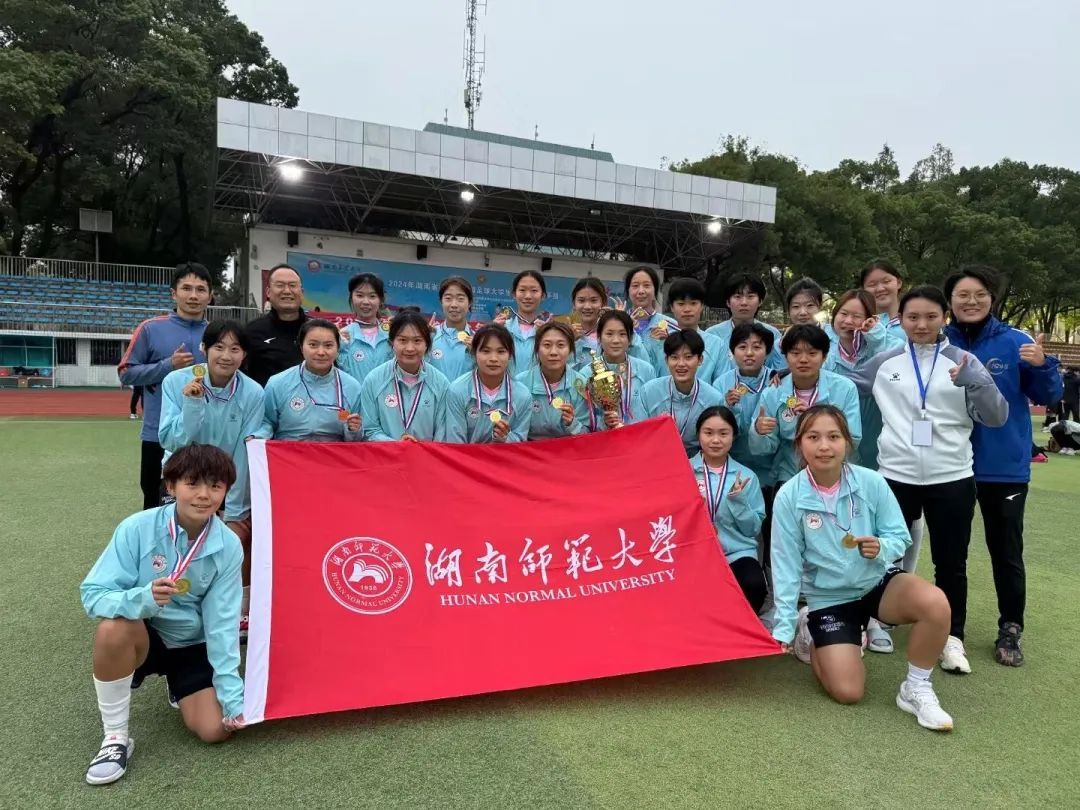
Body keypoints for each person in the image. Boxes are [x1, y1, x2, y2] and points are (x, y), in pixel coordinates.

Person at [850, 285, 1008, 673]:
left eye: (931, 317)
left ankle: (952, 637)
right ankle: (875, 621)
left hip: (951, 476)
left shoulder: (965, 360)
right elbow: (842, 383)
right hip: (895, 476)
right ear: (900, 320)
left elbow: (997, 416)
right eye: (913, 317)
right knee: (882, 555)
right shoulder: (885, 362)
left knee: (951, 562)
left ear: (944, 318)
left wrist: (976, 381)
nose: (921, 324)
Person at [771, 405, 955, 732]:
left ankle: (916, 688)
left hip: (876, 583)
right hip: (830, 599)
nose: (824, 446)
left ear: (848, 442)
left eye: (833, 437)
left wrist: (882, 547)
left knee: (935, 604)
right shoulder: (789, 496)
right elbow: (785, 565)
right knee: (848, 692)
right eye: (813, 437)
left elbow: (899, 535)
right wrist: (783, 626)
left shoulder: (871, 482)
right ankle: (811, 631)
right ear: (799, 444)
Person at [80, 444, 246, 785]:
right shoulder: (136, 528)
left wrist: (233, 699)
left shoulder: (228, 545)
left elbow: (222, 624)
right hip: (145, 634)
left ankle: (178, 683)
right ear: (171, 486)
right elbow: (93, 595)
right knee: (113, 629)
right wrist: (142, 598)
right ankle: (115, 738)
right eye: (192, 483)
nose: (204, 495)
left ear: (226, 491)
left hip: (191, 642)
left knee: (216, 730)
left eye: (215, 486)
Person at [943, 265, 1063, 667]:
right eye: (962, 295)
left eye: (979, 294)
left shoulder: (1016, 341)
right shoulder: (939, 342)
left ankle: (1011, 627)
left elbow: (1049, 395)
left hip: (1003, 467)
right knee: (951, 553)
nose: (971, 301)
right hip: (950, 465)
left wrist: (1043, 365)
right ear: (950, 301)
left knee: (1006, 551)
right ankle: (951, 630)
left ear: (992, 298)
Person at [159, 320, 267, 634]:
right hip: (184, 478)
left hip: (227, 483)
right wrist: (192, 404)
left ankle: (238, 610)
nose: (226, 356)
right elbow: (172, 441)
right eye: (218, 347)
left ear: (244, 355)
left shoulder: (252, 392)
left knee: (236, 540)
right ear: (204, 349)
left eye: (235, 349)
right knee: (180, 540)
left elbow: (245, 452)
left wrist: (233, 509)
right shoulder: (177, 381)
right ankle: (176, 609)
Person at [118, 262, 211, 510]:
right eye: (186, 288)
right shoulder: (151, 329)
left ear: (210, 295)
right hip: (158, 436)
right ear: (173, 293)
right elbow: (126, 373)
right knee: (156, 504)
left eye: (201, 289)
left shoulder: (217, 334)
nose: (193, 295)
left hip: (206, 435)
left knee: (206, 503)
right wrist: (167, 365)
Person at [750, 325, 862, 491]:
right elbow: (763, 449)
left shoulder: (844, 388)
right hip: (790, 473)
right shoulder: (773, 393)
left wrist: (814, 419)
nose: (803, 359)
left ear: (824, 356)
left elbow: (853, 439)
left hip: (835, 473)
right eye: (795, 353)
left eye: (812, 353)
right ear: (786, 357)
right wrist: (759, 432)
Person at [690, 406, 768, 613]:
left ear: (734, 436)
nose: (716, 440)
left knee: (754, 585)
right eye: (708, 433)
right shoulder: (684, 471)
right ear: (698, 435)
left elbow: (752, 530)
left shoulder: (746, 476)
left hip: (737, 552)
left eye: (723, 433)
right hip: (694, 553)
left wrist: (738, 501)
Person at [824, 289, 905, 470]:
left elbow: (899, 355)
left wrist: (875, 335)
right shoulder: (824, 348)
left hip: (876, 432)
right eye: (843, 314)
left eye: (856, 316)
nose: (848, 321)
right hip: (835, 431)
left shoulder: (879, 343)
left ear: (870, 319)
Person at [262, 319, 363, 441]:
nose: (321, 352)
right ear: (301, 347)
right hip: (289, 450)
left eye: (328, 345)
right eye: (313, 345)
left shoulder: (352, 387)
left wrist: (353, 430)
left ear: (338, 348)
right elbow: (266, 423)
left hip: (333, 452)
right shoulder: (278, 383)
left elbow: (357, 439)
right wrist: (258, 436)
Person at [361, 311, 450, 441]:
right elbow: (370, 430)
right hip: (387, 453)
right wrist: (396, 446)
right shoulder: (373, 380)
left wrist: (424, 451)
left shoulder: (441, 383)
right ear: (392, 342)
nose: (410, 348)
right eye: (402, 340)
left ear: (427, 344)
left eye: (417, 340)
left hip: (427, 453)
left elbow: (442, 433)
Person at [640, 330, 723, 456]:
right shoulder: (649, 392)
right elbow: (640, 433)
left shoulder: (713, 399)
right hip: (654, 457)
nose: (681, 364)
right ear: (666, 360)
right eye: (674, 357)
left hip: (696, 463)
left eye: (688, 357)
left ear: (700, 359)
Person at [445, 324, 531, 442]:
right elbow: (455, 442)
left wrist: (505, 439)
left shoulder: (523, 395)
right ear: (474, 353)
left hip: (506, 454)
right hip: (465, 454)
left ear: (510, 355)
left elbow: (521, 442)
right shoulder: (457, 390)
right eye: (486, 351)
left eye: (501, 351)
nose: (493, 359)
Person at [581, 309, 655, 430]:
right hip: (603, 438)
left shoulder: (646, 370)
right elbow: (583, 417)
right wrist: (603, 422)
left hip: (639, 437)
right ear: (599, 337)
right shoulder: (586, 374)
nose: (616, 340)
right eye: (609, 334)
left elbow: (653, 411)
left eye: (622, 334)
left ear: (630, 338)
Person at [517, 321, 591, 439]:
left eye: (561, 345)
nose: (553, 352)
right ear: (537, 349)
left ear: (570, 349)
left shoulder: (580, 384)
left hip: (569, 448)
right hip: (530, 448)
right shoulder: (520, 383)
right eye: (547, 345)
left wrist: (572, 424)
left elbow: (589, 434)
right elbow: (514, 429)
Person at [242, 264, 307, 387]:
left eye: (293, 285)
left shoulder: (316, 331)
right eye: (280, 285)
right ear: (268, 292)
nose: (287, 291)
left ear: (302, 292)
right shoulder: (251, 331)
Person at [705, 273, 785, 371]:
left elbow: (778, 371)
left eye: (750, 296)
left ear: (760, 301)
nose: (744, 303)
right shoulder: (712, 335)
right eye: (737, 296)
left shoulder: (773, 334)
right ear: (728, 302)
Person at [665, 277, 731, 384]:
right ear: (672, 307)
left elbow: (722, 383)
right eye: (681, 304)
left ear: (702, 306)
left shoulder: (716, 344)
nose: (687, 309)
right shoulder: (661, 340)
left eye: (693, 303)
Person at [621, 265, 680, 375]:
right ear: (628, 291)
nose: (641, 291)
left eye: (647, 285)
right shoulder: (618, 323)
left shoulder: (671, 326)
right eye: (635, 286)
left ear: (655, 290)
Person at [338, 272, 392, 383]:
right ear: (351, 297)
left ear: (381, 300)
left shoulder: (392, 335)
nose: (366, 302)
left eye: (372, 296)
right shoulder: (342, 336)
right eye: (359, 295)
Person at [495, 270, 548, 376]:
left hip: (538, 386)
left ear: (543, 295)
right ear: (514, 294)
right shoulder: (501, 328)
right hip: (506, 386)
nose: (528, 296)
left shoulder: (548, 332)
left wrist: (545, 336)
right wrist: (492, 333)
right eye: (522, 290)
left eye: (534, 290)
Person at [429, 276, 476, 382]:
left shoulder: (479, 340)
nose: (454, 305)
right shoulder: (429, 336)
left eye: (460, 299)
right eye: (448, 298)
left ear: (470, 302)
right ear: (441, 301)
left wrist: (478, 353)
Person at [569, 277, 607, 369]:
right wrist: (571, 342)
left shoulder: (610, 333)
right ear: (574, 304)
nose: (587, 306)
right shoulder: (565, 334)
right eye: (581, 300)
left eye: (593, 300)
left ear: (603, 303)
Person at [860, 258, 905, 338]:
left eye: (886, 281)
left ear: (899, 283)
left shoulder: (914, 321)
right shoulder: (860, 325)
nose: (880, 289)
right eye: (872, 285)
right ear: (864, 290)